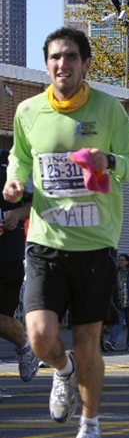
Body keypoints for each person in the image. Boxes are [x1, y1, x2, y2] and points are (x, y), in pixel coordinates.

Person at [5, 27, 129, 438]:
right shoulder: (28, 110)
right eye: (54, 58)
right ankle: (61, 370)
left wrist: (111, 161)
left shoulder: (108, 110)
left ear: (86, 65)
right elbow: (22, 155)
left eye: (70, 57)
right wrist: (15, 181)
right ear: (45, 65)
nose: (61, 65)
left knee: (88, 342)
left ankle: (89, 426)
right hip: (45, 240)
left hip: (95, 244)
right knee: (39, 337)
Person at [0, 153, 36, 381]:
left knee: (2, 320)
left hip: (7, 259)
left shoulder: (10, 165)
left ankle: (24, 346)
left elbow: (37, 204)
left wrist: (16, 214)